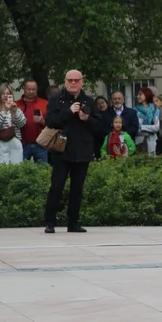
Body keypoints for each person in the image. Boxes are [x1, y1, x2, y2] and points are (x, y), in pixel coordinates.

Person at [44, 70, 102, 233]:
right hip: (61, 149)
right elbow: (50, 121)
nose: (73, 83)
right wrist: (68, 112)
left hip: (82, 149)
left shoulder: (89, 101)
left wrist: (87, 118)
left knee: (77, 188)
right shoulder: (57, 99)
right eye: (70, 80)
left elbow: (99, 126)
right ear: (65, 81)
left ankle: (73, 222)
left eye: (76, 80)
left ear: (82, 82)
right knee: (57, 186)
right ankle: (50, 222)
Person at [0, 86, 26, 164]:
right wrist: (5, 110)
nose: (5, 96)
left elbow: (22, 123)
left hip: (15, 140)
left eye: (8, 94)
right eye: (3, 93)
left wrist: (15, 112)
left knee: (17, 166)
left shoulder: (16, 108)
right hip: (0, 141)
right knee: (1, 166)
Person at [16, 80, 48, 164]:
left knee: (43, 172)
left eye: (33, 89)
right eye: (28, 89)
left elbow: (52, 123)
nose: (31, 91)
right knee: (20, 171)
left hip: (41, 144)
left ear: (37, 90)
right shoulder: (16, 104)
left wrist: (42, 121)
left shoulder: (45, 104)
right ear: (24, 89)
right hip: (22, 144)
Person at [134, 87, 160, 155]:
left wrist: (141, 127)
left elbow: (156, 128)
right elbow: (136, 129)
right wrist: (150, 127)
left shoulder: (155, 110)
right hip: (139, 142)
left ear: (147, 95)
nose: (138, 96)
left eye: (140, 94)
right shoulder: (134, 111)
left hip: (153, 142)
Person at [92, 96, 109, 160]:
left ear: (106, 103)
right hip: (97, 142)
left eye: (102, 103)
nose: (101, 105)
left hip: (109, 141)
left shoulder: (112, 113)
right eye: (98, 104)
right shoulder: (94, 115)